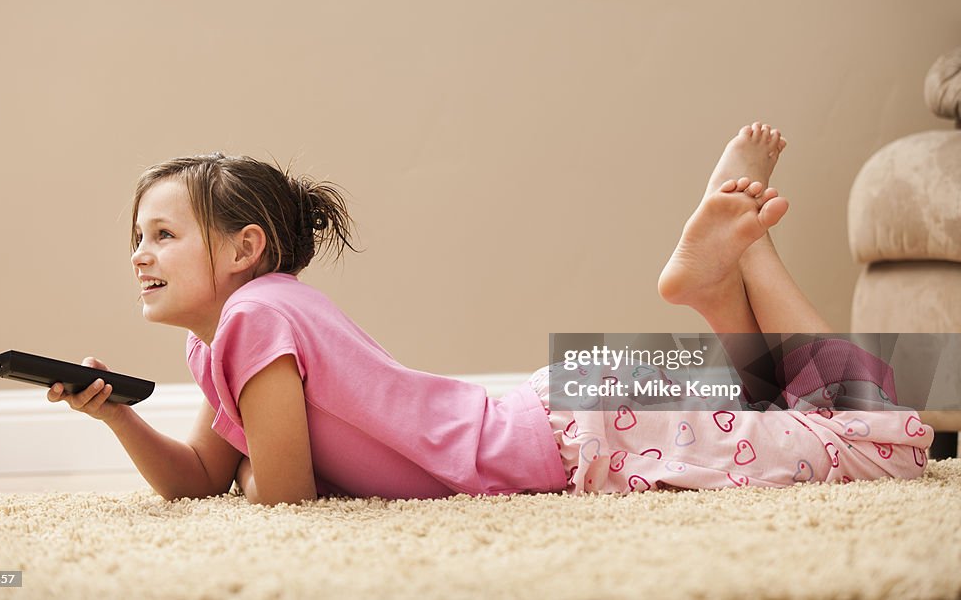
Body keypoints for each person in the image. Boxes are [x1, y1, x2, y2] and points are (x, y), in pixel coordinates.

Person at [47, 124, 934, 504]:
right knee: (799, 406)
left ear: (242, 250)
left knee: (884, 439)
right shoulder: (232, 342)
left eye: (161, 234)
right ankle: (718, 282)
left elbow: (282, 494)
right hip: (569, 408)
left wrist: (249, 476)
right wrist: (117, 410)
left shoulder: (256, 320)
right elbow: (204, 478)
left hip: (581, 429)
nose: (138, 253)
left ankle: (745, 253)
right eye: (137, 235)